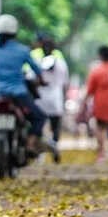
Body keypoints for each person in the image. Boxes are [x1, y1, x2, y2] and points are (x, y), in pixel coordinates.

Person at [0, 14, 54, 160]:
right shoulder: (22, 50)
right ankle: (30, 144)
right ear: (15, 32)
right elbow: (36, 70)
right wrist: (41, 80)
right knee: (39, 117)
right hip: (19, 94)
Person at [31, 33, 69, 162]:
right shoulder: (61, 62)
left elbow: (31, 79)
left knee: (39, 127)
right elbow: (65, 83)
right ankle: (54, 145)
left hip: (40, 99)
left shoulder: (36, 62)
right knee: (55, 127)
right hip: (55, 99)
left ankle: (39, 153)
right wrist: (65, 99)